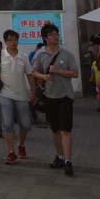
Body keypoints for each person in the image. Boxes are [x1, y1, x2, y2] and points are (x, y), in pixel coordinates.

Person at [31, 23, 78, 177]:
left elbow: (75, 73)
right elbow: (33, 71)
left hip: (65, 96)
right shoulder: (40, 54)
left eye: (57, 34)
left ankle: (68, 161)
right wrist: (43, 77)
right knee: (55, 129)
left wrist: (58, 71)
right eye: (52, 35)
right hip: (49, 96)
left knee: (65, 130)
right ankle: (59, 157)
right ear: (46, 38)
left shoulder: (67, 54)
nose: (56, 36)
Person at [0, 29, 34, 165]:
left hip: (22, 95)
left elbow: (30, 74)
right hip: (5, 94)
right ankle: (11, 152)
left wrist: (33, 91)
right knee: (7, 125)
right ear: (6, 42)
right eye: (10, 40)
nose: (13, 42)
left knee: (25, 124)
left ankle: (21, 145)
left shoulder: (23, 57)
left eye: (15, 39)